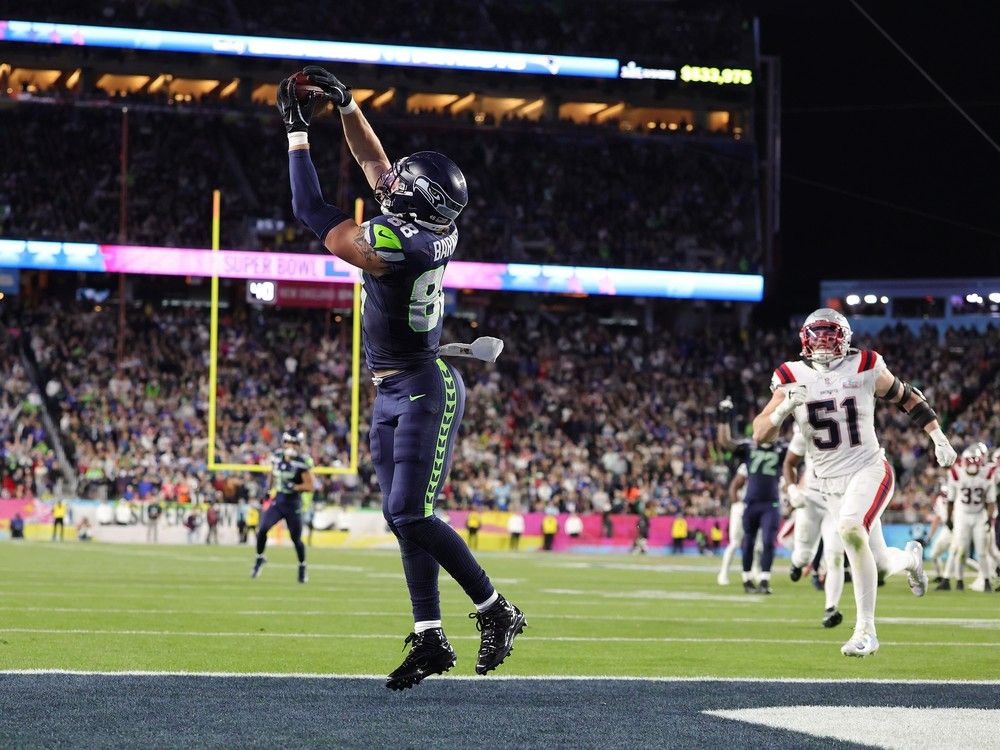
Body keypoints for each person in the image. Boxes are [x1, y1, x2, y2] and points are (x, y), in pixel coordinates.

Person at [279, 65, 525, 690]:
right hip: (399, 383)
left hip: (422, 386)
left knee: (410, 513)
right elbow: (375, 164)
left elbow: (310, 208)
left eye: (400, 187)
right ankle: (429, 636)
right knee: (402, 516)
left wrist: (296, 132)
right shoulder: (433, 226)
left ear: (412, 203)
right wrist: (348, 107)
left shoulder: (395, 244)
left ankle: (497, 610)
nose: (389, 185)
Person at [752, 308, 956, 657]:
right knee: (878, 564)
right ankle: (910, 560)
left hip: (869, 468)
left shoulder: (865, 365)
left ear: (844, 338)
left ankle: (866, 631)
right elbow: (759, 434)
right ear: (805, 339)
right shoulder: (789, 375)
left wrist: (938, 437)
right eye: (817, 336)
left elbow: (907, 395)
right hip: (828, 482)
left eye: (830, 335)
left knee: (849, 527)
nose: (823, 344)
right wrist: (782, 410)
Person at [718, 404, 785, 594]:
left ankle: (764, 579)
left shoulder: (781, 449)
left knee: (768, 541)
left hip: (770, 503)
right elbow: (725, 442)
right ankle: (747, 579)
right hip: (751, 502)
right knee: (747, 542)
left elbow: (800, 453)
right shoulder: (749, 447)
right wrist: (723, 418)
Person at [784, 424, 845, 627]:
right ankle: (796, 564)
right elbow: (789, 463)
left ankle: (831, 608)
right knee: (802, 556)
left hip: (835, 502)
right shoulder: (806, 424)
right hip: (810, 501)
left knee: (834, 556)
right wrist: (792, 489)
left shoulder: (854, 427)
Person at [251, 430, 314, 583]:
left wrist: (295, 486)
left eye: (294, 443)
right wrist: (268, 490)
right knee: (263, 529)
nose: (290, 446)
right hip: (278, 500)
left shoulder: (302, 461)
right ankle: (260, 558)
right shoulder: (277, 456)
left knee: (296, 539)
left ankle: (302, 566)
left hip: (293, 503)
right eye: (288, 442)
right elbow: (273, 474)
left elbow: (310, 485)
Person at [939, 446, 996, 592]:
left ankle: (987, 580)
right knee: (961, 549)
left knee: (981, 551)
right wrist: (949, 518)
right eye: (969, 464)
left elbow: (990, 501)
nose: (972, 468)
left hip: (979, 514)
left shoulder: (987, 474)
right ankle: (959, 581)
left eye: (975, 464)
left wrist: (989, 518)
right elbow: (951, 500)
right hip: (963, 514)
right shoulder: (956, 473)